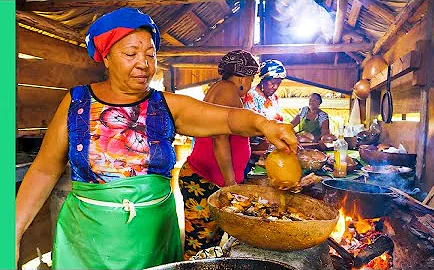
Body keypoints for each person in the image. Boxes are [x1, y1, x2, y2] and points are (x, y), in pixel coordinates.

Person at [14, 8, 297, 270]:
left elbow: (228, 119)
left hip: (153, 241)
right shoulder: (77, 103)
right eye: (131, 53)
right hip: (88, 243)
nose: (144, 64)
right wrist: (13, 232)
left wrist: (264, 124)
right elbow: (44, 169)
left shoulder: (167, 107)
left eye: (150, 54)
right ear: (107, 57)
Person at [178, 50, 259, 260]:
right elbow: (220, 139)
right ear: (242, 77)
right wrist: (230, 183)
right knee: (200, 246)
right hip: (204, 180)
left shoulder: (221, 89)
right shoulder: (227, 91)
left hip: (206, 179)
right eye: (250, 80)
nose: (249, 85)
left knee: (208, 246)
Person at [243, 59, 287, 177]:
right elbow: (248, 126)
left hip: (270, 150)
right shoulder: (250, 96)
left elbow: (277, 121)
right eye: (272, 82)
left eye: (278, 83)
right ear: (263, 80)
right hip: (252, 152)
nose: (275, 86)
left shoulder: (274, 98)